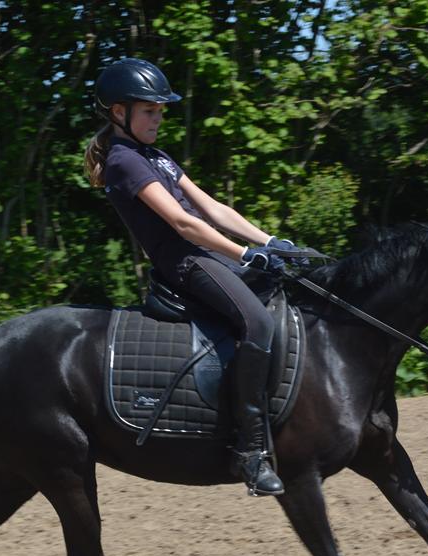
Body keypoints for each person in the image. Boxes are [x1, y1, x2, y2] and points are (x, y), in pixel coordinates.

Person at [83, 57, 296, 497]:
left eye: (161, 111)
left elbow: (213, 209)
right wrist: (245, 254)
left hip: (207, 254)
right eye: (149, 111)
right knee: (257, 322)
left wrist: (271, 241)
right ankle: (250, 453)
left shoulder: (155, 156)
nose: (158, 119)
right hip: (185, 264)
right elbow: (182, 223)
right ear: (119, 113)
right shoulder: (124, 161)